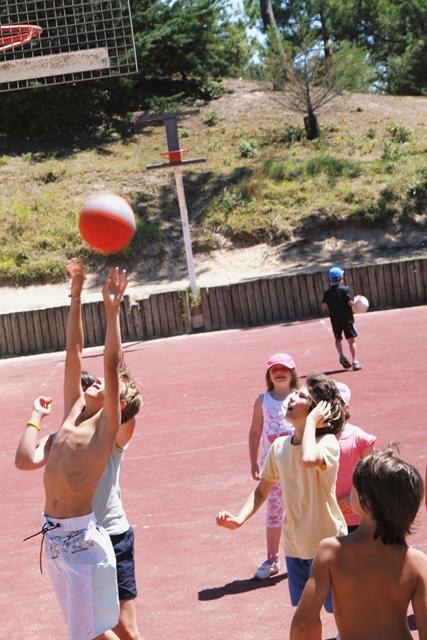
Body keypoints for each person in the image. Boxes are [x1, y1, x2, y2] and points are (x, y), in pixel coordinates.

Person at [15, 259, 142, 640]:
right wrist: (75, 293)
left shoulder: (105, 429)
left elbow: (111, 363)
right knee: (89, 633)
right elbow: (74, 350)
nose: (98, 381)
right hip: (53, 538)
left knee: (94, 633)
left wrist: (112, 313)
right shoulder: (71, 411)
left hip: (82, 540)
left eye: (108, 386)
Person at [217, 374, 347, 612]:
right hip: (296, 547)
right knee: (305, 618)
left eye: (301, 396)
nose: (292, 397)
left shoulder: (327, 443)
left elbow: (308, 459)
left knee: (341, 614)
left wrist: (310, 423)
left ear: (317, 412)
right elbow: (261, 492)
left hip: (328, 547)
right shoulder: (279, 447)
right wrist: (238, 519)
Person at [290, 448, 427, 640]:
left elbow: (303, 625)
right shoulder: (417, 562)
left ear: (366, 502)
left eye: (354, 486)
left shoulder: (331, 553)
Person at [248, 353, 299, 580]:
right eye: (274, 369)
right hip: (273, 468)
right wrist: (253, 461)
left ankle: (306, 554)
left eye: (284, 369)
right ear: (269, 374)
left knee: (301, 509)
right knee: (274, 512)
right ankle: (272, 559)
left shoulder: (300, 398)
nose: (279, 373)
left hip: (298, 467)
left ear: (292, 373)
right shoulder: (263, 400)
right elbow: (255, 431)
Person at [335, 381, 376, 532]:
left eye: (335, 404)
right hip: (328, 517)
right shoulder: (316, 440)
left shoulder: (360, 438)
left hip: (356, 517)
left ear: (345, 408)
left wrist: (357, 497)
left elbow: (371, 475)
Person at [322, 266, 362, 371]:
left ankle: (341, 355)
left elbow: (324, 306)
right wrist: (357, 298)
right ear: (341, 277)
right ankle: (355, 361)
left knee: (337, 339)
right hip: (347, 319)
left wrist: (332, 308)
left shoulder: (327, 293)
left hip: (335, 320)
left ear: (330, 279)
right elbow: (351, 302)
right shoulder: (346, 289)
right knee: (351, 340)